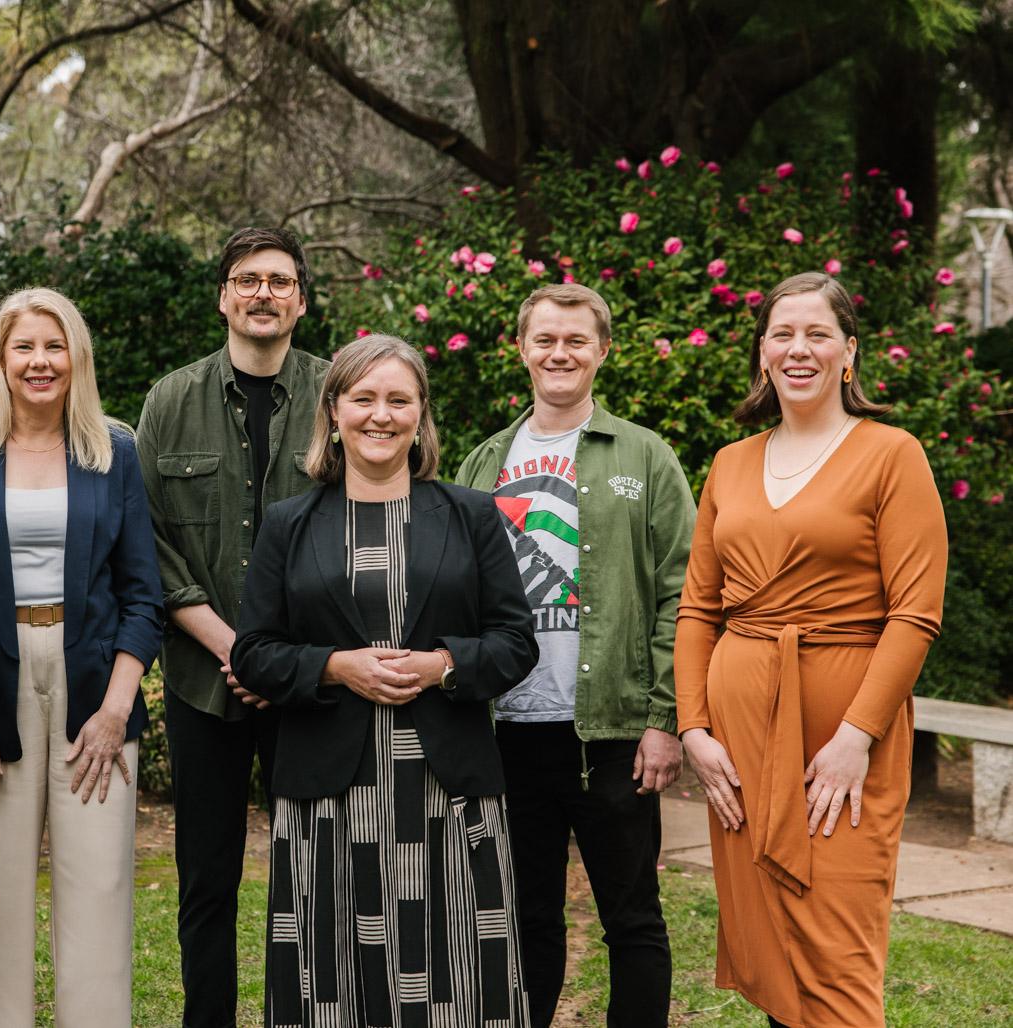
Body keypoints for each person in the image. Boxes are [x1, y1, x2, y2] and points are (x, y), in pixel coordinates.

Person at [232, 334, 538, 1024]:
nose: (380, 415)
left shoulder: (470, 516)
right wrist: (335, 667)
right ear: (333, 411)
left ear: (420, 414)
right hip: (327, 798)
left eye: (398, 399)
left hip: (445, 789)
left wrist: (443, 665)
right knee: (338, 971)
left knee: (458, 968)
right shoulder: (290, 524)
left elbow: (515, 644)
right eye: (363, 398)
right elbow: (253, 653)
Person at [675, 272, 947, 1028]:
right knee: (775, 956)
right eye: (782, 335)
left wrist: (854, 739)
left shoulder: (893, 455)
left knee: (836, 957)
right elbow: (698, 607)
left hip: (841, 748)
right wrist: (694, 729)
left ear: (848, 352)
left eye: (816, 334)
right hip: (737, 743)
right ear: (761, 353)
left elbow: (915, 614)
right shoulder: (729, 463)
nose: (799, 349)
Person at [453, 282, 694, 1027]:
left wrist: (664, 719)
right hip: (507, 731)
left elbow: (682, 593)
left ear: (602, 352)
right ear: (520, 349)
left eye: (576, 341)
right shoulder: (482, 461)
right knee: (526, 916)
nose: (559, 353)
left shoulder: (645, 456)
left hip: (612, 732)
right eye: (545, 339)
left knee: (631, 916)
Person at [0, 287, 163, 1027]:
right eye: (23, 346)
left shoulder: (111, 451)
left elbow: (143, 596)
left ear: (77, 358)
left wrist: (115, 713)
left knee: (98, 890)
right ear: (0, 358)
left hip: (93, 682)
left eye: (54, 346)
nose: (39, 361)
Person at [135, 227, 328, 1027]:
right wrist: (232, 646)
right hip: (201, 681)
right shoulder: (169, 400)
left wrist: (288, 659)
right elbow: (145, 538)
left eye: (279, 281)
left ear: (301, 302)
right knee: (205, 881)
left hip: (316, 684)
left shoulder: (339, 392)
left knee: (316, 878)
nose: (262, 294)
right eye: (246, 280)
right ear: (223, 296)